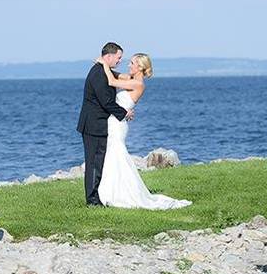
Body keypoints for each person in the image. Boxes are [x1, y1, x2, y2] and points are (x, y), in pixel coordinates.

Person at [95, 53, 192, 210]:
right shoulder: (131, 79)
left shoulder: (138, 84)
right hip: (115, 121)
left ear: (139, 67)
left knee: (117, 156)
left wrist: (103, 64)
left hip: (117, 125)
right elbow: (118, 76)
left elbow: (112, 81)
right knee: (112, 157)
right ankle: (110, 190)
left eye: (132, 63)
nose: (128, 65)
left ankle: (118, 193)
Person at [76, 42, 134, 206]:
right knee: (94, 161)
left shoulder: (102, 71)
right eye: (118, 57)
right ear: (108, 56)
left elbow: (113, 77)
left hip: (95, 124)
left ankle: (97, 195)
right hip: (94, 125)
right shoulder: (99, 74)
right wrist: (124, 113)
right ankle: (92, 200)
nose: (120, 60)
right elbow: (106, 102)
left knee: (98, 161)